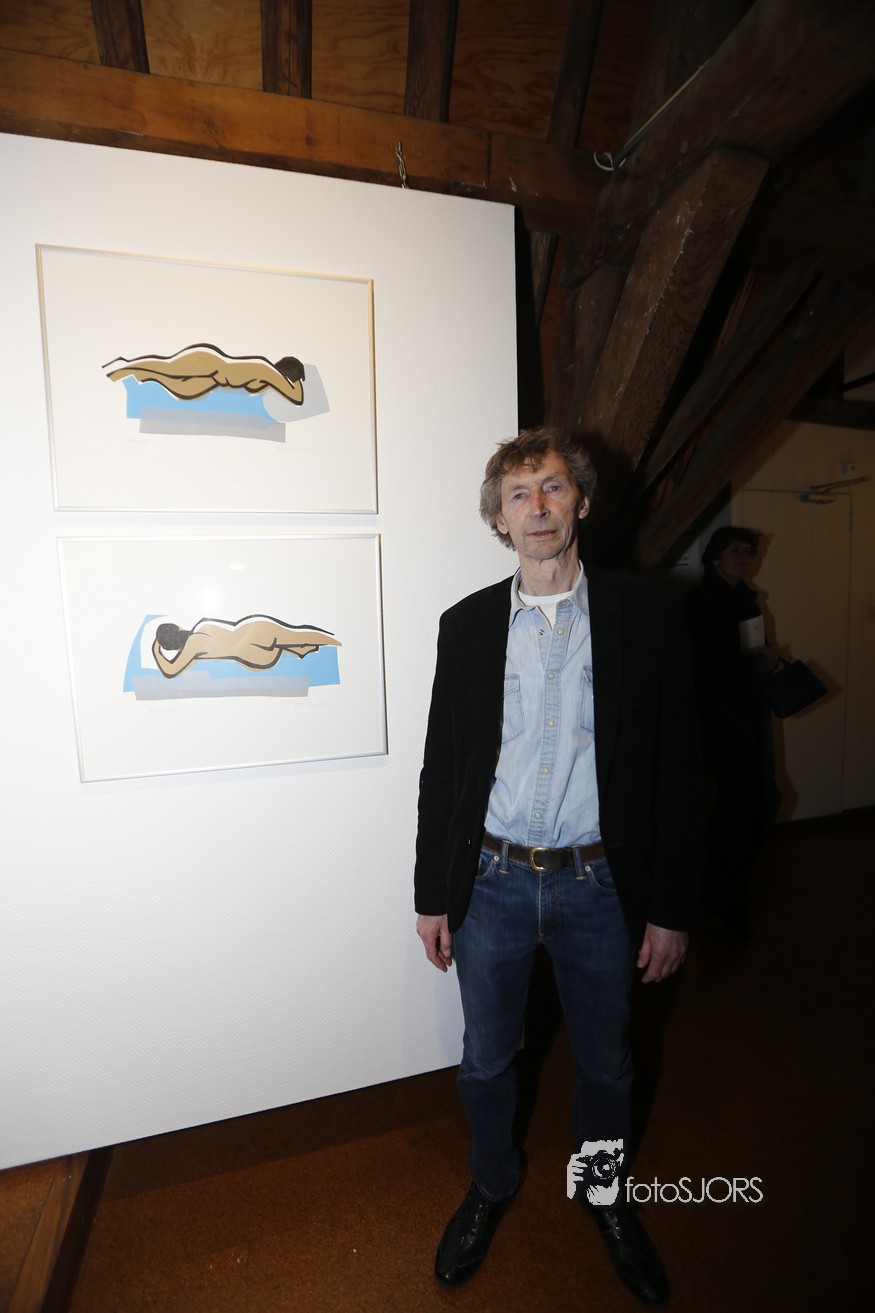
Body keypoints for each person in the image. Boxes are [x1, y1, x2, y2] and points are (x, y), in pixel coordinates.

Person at [414, 427, 702, 1306]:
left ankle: (603, 1191)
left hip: (600, 886)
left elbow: (681, 768)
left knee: (607, 1063)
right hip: (492, 883)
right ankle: (492, 1182)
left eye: (550, 487)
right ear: (499, 519)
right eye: (517, 493)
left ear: (580, 499)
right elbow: (442, 769)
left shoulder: (647, 615)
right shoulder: (465, 625)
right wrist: (432, 893)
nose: (536, 506)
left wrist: (671, 905)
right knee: (485, 1060)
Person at [683, 527, 780, 935]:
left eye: (748, 551)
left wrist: (765, 659)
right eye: (734, 550)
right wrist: (757, 662)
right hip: (717, 725)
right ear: (715, 557)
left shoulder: (747, 601)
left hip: (746, 718)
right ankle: (724, 899)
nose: (743, 557)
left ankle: (726, 892)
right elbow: (705, 670)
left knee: (749, 809)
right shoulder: (700, 603)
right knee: (737, 812)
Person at [103, 344, 306, 405]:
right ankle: (126, 365)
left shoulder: (266, 379)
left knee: (177, 387)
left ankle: (133, 371)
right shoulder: (268, 371)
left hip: (214, 380)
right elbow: (296, 396)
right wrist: (297, 379)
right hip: (212, 364)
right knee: (168, 368)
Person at [152, 614, 340, 678]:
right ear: (179, 628)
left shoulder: (192, 648)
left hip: (251, 654)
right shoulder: (203, 625)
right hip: (252, 629)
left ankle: (299, 649)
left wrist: (156, 650)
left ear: (174, 647)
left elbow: (170, 670)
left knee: (289, 643)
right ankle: (332, 641)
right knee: (299, 635)